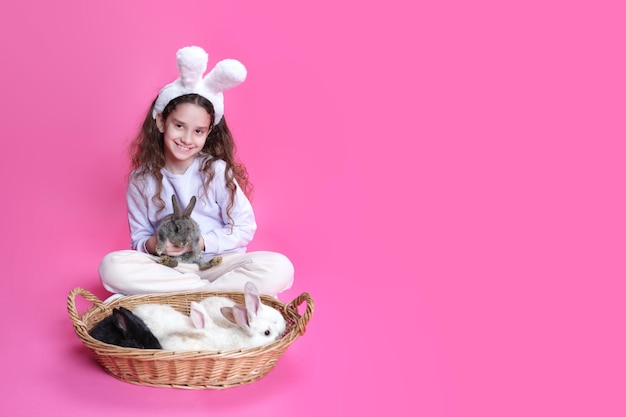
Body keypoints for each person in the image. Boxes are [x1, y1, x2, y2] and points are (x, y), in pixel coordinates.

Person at [99, 46, 294, 298]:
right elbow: (139, 241)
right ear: (161, 122)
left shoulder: (215, 171)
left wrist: (201, 243)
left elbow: (244, 226)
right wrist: (156, 243)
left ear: (208, 132)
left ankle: (186, 295)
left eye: (198, 131)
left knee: (279, 267)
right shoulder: (141, 180)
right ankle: (207, 295)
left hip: (216, 266)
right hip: (168, 269)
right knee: (111, 267)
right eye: (179, 126)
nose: (187, 138)